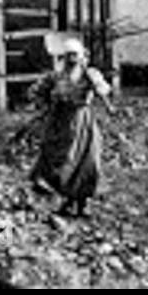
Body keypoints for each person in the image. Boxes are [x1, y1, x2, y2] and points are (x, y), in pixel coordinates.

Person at [28, 37, 114, 218]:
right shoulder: (56, 76)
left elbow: (102, 92)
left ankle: (82, 204)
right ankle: (66, 201)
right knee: (60, 160)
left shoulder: (89, 74)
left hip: (83, 122)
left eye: (74, 55)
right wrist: (43, 106)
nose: (71, 59)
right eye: (68, 56)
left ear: (81, 56)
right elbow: (37, 91)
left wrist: (108, 106)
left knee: (86, 162)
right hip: (60, 122)